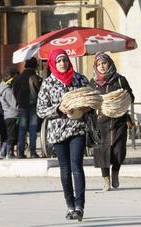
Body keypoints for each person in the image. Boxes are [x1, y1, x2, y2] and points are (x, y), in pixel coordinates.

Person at [37, 49, 89, 222]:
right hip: (58, 132)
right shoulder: (48, 84)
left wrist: (86, 109)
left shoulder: (80, 79)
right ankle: (70, 205)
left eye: (64, 60)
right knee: (65, 169)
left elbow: (92, 99)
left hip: (77, 129)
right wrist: (58, 109)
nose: (62, 63)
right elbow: (40, 110)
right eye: (58, 61)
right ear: (52, 64)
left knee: (77, 166)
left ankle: (80, 206)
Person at [89, 52, 135, 192]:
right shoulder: (93, 83)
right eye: (99, 64)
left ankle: (115, 172)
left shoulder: (120, 80)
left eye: (104, 63)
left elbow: (131, 97)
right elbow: (90, 101)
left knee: (118, 150)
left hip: (119, 120)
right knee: (103, 150)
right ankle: (106, 179)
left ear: (110, 63)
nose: (102, 66)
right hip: (100, 122)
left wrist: (119, 101)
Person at [13, 57, 42, 158]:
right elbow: (40, 93)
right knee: (32, 130)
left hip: (22, 106)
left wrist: (19, 101)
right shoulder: (35, 77)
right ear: (35, 66)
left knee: (22, 130)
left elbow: (14, 92)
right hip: (33, 106)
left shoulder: (18, 78)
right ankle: (33, 152)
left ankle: (20, 152)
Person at [0, 66, 20, 159]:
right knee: (12, 136)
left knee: (9, 135)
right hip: (13, 115)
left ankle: (3, 152)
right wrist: (20, 108)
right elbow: (14, 104)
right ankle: (8, 153)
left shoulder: (1, 89)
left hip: (7, 115)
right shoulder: (8, 91)